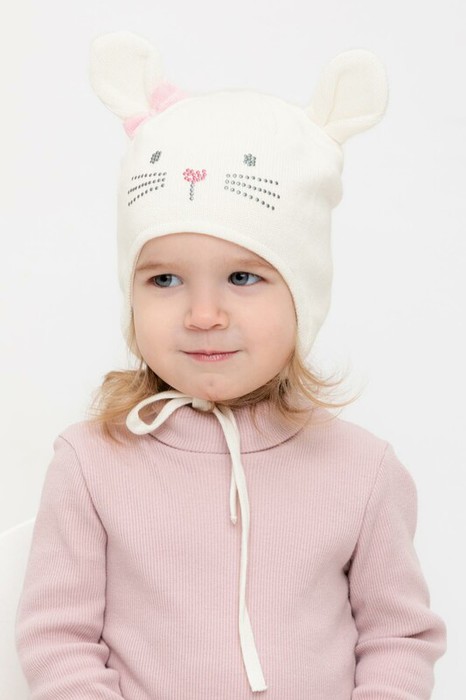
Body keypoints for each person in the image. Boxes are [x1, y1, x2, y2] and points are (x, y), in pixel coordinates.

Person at [15, 30, 447, 699]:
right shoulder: (90, 464)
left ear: (302, 297)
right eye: (165, 280)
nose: (203, 314)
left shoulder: (363, 471)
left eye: (243, 277)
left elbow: (397, 639)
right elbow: (59, 641)